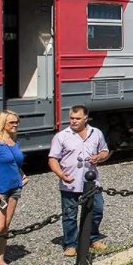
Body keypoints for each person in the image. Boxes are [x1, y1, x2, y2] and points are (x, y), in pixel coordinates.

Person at [48, 106, 111, 257]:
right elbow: (52, 159)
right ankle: (71, 244)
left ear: (86, 119)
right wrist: (60, 174)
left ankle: (93, 238)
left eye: (77, 118)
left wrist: (99, 157)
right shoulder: (61, 136)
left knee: (97, 210)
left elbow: (105, 151)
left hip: (92, 183)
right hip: (70, 182)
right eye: (71, 118)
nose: (74, 121)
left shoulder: (96, 133)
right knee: (70, 215)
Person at [0, 111, 28, 265]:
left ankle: (0, 260)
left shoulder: (14, 142)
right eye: (11, 122)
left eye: (17, 122)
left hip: (14, 189)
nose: (15, 125)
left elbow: (15, 163)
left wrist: (23, 176)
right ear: (2, 124)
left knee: (5, 225)